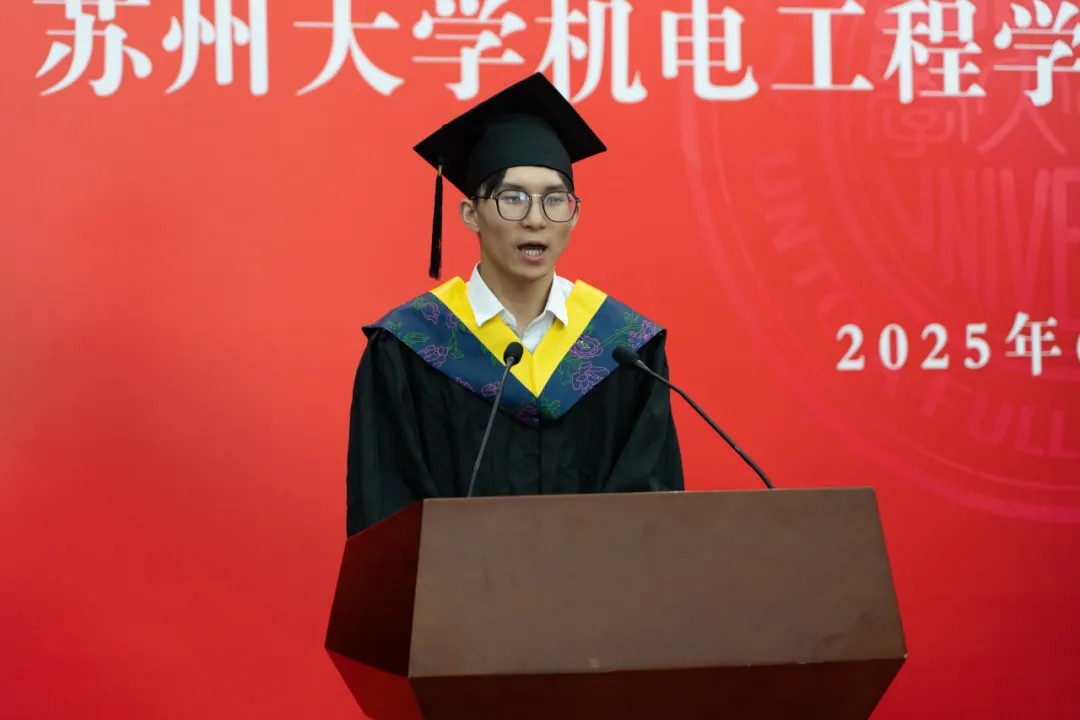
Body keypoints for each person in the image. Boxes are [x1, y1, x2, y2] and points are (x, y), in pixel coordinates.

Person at [345, 73, 683, 536]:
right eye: (513, 198)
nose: (535, 220)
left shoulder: (624, 349)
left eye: (555, 200)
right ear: (471, 214)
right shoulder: (409, 346)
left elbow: (651, 510)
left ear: (575, 214)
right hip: (456, 583)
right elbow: (388, 510)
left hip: (596, 582)